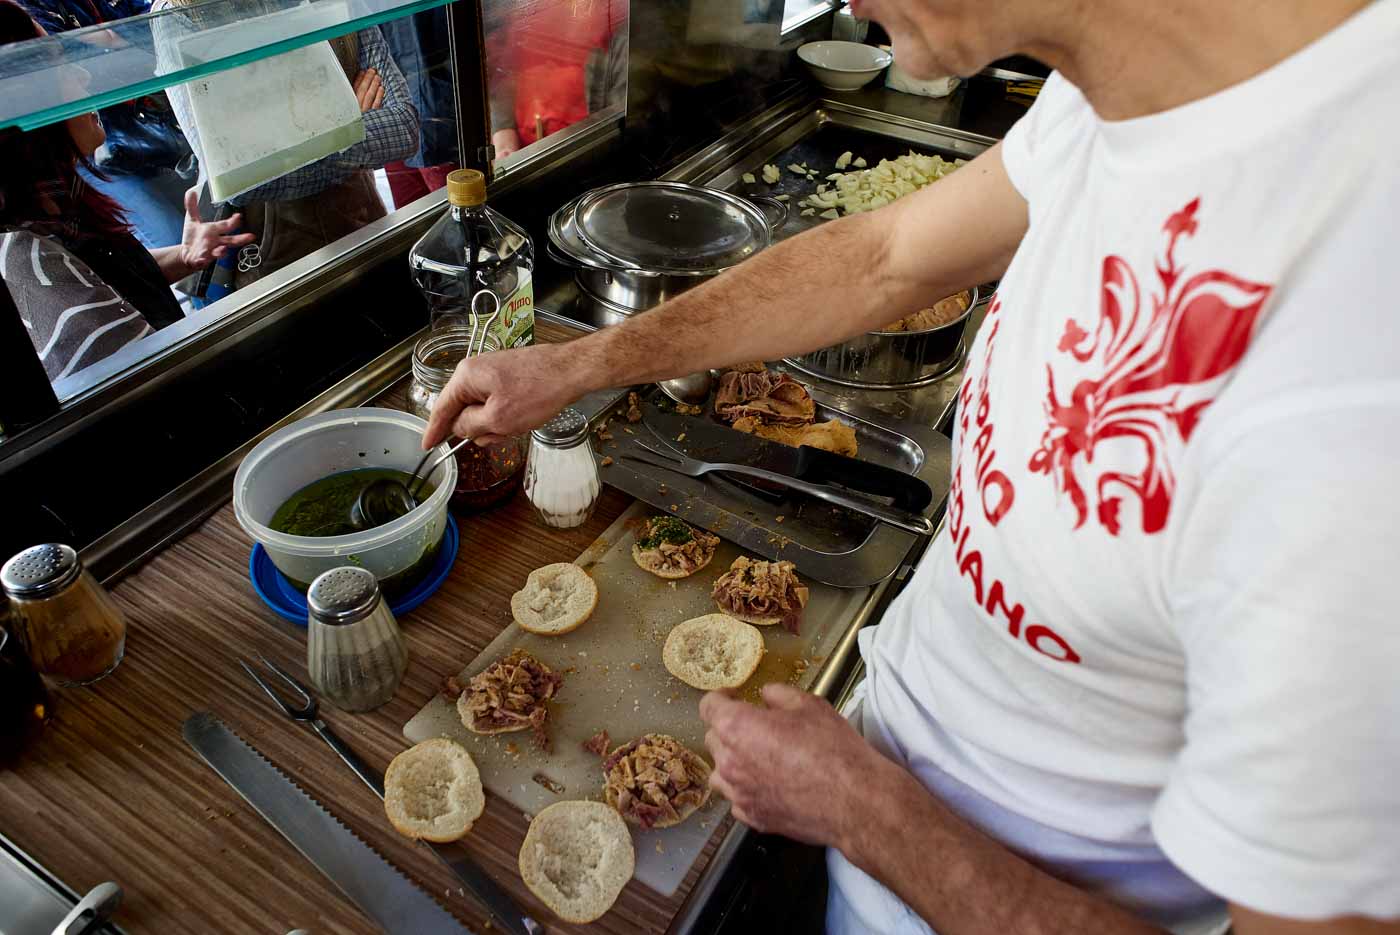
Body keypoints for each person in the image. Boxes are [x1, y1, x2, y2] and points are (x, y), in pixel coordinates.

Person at [424, 1, 1400, 933]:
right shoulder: (1124, 90)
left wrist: (866, 807)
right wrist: (577, 365)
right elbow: (885, 257)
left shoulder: (1348, 369)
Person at [0, 2, 251, 382]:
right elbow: (146, 386)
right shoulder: (28, 257)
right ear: (19, 97)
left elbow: (103, 279)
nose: (84, 74)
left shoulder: (54, 199)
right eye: (57, 65)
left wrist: (183, 256)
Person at [154, 3, 419, 286]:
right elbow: (240, 181)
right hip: (273, 258)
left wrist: (282, 143)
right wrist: (344, 118)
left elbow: (404, 126)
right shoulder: (178, 11)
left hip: (363, 223)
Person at [18, 0, 194, 251]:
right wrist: (116, 40)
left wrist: (110, 39)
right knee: (170, 237)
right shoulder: (29, 13)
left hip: (152, 129)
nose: (79, 75)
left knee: (208, 214)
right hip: (94, 151)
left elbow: (159, 23)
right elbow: (86, 66)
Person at [486, 0, 626, 160]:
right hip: (523, 154)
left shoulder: (615, 14)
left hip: (584, 152)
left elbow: (619, 120)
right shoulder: (521, 9)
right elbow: (503, 78)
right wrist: (505, 144)